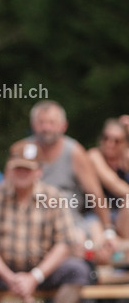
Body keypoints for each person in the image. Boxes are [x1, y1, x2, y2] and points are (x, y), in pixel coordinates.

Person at [0, 140, 90, 303]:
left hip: (42, 270)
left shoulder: (53, 196)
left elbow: (63, 244)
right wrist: (9, 277)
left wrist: (35, 276)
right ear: (9, 169)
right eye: (18, 168)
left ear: (39, 171)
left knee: (78, 270)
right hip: (1, 270)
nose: (22, 173)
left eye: (27, 168)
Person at [27, 100, 118, 250]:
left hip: (69, 222)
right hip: (29, 222)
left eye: (51, 122)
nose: (46, 128)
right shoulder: (23, 151)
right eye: (41, 122)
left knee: (78, 240)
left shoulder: (74, 152)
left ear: (64, 126)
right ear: (33, 125)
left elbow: (95, 194)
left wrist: (108, 230)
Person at [86, 118, 129, 241]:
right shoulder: (94, 156)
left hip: (122, 215)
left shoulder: (125, 158)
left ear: (125, 143)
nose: (110, 143)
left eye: (117, 140)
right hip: (96, 215)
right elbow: (114, 184)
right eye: (106, 138)